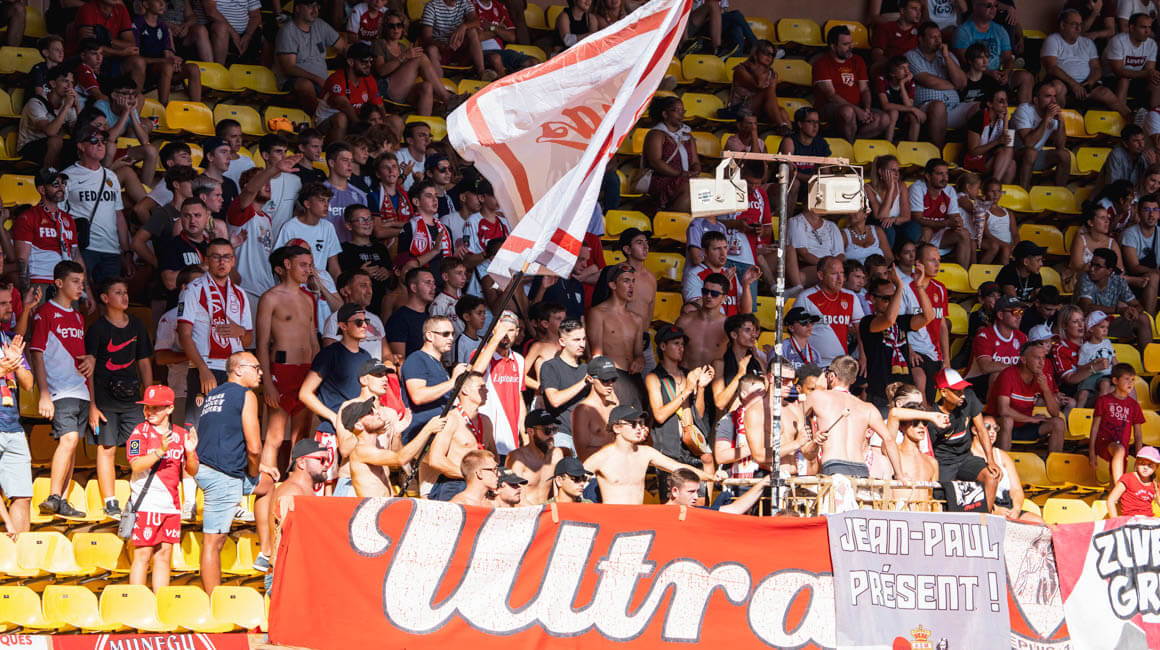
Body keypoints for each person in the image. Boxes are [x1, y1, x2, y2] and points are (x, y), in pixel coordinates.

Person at [193, 352, 274, 594]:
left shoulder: (214, 394)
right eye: (256, 368)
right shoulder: (246, 395)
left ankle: (265, 551)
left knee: (267, 484)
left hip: (205, 467)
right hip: (222, 475)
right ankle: (214, 602)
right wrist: (253, 470)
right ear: (238, 370)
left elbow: (222, 435)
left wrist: (259, 471)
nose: (261, 372)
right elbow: (254, 447)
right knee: (213, 542)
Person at [86, 277, 154, 519]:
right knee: (106, 448)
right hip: (104, 399)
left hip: (132, 399)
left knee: (139, 447)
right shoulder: (97, 329)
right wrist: (92, 405)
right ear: (105, 298)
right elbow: (88, 370)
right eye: (118, 292)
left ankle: (140, 496)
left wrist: (149, 396)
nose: (124, 296)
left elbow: (144, 362)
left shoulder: (137, 325)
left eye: (125, 292)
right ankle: (110, 501)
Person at [30, 261, 94, 519]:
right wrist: (44, 393)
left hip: (81, 390)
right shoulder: (45, 312)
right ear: (58, 283)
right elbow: (37, 353)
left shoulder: (78, 316)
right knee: (68, 440)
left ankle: (63, 499)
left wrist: (91, 361)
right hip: (60, 390)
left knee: (73, 445)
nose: (80, 287)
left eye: (82, 282)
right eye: (75, 281)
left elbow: (81, 357)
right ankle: (53, 495)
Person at [254, 245, 320, 481]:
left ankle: (297, 484)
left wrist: (318, 374)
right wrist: (268, 382)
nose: (308, 270)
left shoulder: (308, 298)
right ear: (287, 265)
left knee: (301, 436)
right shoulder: (270, 298)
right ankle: (265, 486)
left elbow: (313, 340)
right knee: (274, 434)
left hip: (306, 372)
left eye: (310, 265)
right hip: (281, 371)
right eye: (303, 265)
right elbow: (262, 344)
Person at [126, 385, 198, 592]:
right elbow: (135, 465)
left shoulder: (181, 434)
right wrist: (160, 451)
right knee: (143, 555)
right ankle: (137, 603)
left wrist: (190, 453)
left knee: (164, 556)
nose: (150, 412)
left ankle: (160, 603)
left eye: (156, 407)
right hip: (145, 504)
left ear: (170, 409)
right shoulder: (139, 432)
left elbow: (192, 470)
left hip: (171, 506)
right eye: (147, 407)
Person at [583, 404, 713, 505]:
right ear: (617, 428)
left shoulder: (646, 453)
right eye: (633, 424)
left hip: (638, 521)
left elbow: (679, 468)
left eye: (641, 423)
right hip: (612, 522)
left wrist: (711, 477)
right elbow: (574, 483)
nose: (639, 428)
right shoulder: (601, 458)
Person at [177, 239, 253, 409]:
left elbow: (248, 340)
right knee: (200, 424)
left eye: (226, 257)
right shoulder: (192, 289)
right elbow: (184, 335)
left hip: (235, 371)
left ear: (233, 261)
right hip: (205, 366)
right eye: (216, 257)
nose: (222, 262)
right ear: (206, 260)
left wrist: (240, 331)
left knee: (232, 424)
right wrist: (202, 369)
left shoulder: (240, 294)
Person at [803, 356, 902, 478]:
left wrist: (819, 388)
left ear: (831, 376)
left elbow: (796, 416)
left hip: (834, 466)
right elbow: (889, 440)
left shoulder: (817, 396)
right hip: (861, 468)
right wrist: (900, 475)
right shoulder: (867, 407)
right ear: (853, 380)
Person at [61, 124, 131, 287]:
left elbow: (119, 216)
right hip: (83, 248)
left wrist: (126, 252)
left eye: (102, 141)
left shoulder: (111, 176)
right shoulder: (67, 176)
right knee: (79, 294)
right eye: (94, 140)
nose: (100, 144)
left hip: (111, 250)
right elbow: (60, 215)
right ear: (81, 146)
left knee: (110, 297)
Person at [927, 368, 1001, 512]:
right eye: (957, 392)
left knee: (992, 476)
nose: (962, 395)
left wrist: (991, 460)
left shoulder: (969, 397)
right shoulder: (934, 417)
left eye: (962, 390)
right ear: (944, 392)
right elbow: (928, 452)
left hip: (965, 458)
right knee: (943, 498)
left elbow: (981, 429)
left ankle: (984, 519)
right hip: (944, 463)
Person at [341, 396, 443, 497]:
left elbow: (398, 460)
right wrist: (428, 429)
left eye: (374, 408)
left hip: (384, 505)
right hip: (373, 507)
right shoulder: (361, 451)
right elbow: (401, 458)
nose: (376, 412)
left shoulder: (376, 447)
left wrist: (396, 434)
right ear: (358, 425)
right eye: (370, 412)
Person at [861, 267, 935, 407]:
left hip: (905, 392)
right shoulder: (867, 322)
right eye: (886, 298)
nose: (891, 302)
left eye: (893, 297)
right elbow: (889, 320)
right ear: (872, 298)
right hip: (881, 395)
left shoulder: (900, 321)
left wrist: (919, 287)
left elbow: (928, 316)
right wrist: (900, 287)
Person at [264, 439, 330, 588]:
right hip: (286, 574)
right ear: (301, 463)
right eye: (322, 460)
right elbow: (293, 539)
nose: (327, 464)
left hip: (295, 571)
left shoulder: (304, 490)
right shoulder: (292, 492)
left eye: (328, 459)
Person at [813, 25, 891, 142]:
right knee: (848, 111)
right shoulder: (821, 63)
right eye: (845, 44)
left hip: (857, 107)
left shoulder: (857, 60)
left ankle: (852, 144)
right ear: (833, 46)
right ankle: (849, 144)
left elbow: (864, 89)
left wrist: (867, 108)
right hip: (829, 108)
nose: (850, 47)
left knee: (884, 119)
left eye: (851, 43)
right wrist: (857, 110)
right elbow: (831, 95)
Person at [986, 341, 1067, 451]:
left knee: (1058, 422)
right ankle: (1003, 460)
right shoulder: (1008, 374)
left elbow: (1055, 413)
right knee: (1007, 421)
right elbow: (1003, 410)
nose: (1042, 363)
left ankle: (1055, 461)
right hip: (999, 427)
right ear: (1023, 360)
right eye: (1037, 358)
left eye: (1043, 358)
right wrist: (1031, 419)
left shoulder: (1042, 377)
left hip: (1025, 425)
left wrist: (1046, 390)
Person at [904, 22, 974, 149]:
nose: (938, 41)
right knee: (938, 106)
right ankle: (937, 154)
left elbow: (962, 83)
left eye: (939, 37)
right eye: (933, 37)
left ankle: (971, 153)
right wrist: (954, 85)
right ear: (921, 39)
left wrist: (946, 57)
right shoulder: (911, 55)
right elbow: (928, 80)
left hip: (952, 108)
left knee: (979, 107)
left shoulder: (948, 55)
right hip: (925, 108)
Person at [424, 371, 492, 500]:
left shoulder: (486, 421)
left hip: (482, 485)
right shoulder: (451, 419)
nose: (487, 390)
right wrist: (470, 475)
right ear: (465, 390)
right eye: (481, 387)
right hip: (455, 484)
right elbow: (436, 460)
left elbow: (493, 456)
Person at [15, 169, 86, 292]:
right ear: (42, 190)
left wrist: (85, 290)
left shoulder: (68, 218)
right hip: (41, 283)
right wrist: (27, 292)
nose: (61, 187)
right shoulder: (28, 217)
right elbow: (22, 260)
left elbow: (76, 256)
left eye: (63, 183)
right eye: (55, 184)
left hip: (68, 284)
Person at [587, 264, 646, 408]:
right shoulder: (598, 313)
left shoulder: (637, 319)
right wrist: (603, 383)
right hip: (611, 377)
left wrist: (640, 360)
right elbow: (596, 355)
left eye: (633, 281)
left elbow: (639, 353)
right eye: (626, 281)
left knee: (640, 419)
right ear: (612, 285)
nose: (631, 286)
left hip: (634, 378)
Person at [1076, 248, 1155, 351]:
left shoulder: (1118, 281)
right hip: (1087, 325)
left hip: (1108, 324)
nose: (1091, 269)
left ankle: (1148, 359)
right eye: (1091, 264)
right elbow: (1086, 307)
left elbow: (1137, 305)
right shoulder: (1085, 278)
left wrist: (1134, 311)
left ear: (1109, 271)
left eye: (1097, 266)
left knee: (1143, 319)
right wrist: (1119, 310)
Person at [275, 0, 345, 114]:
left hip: (321, 82)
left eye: (317, 6)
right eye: (310, 6)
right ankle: (319, 118)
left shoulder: (320, 25)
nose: (315, 10)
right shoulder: (287, 31)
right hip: (293, 83)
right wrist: (317, 79)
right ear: (297, 8)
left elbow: (344, 47)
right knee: (305, 85)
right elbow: (289, 68)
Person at [371, 10, 446, 116]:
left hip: (404, 91)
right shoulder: (379, 44)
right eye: (391, 26)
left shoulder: (403, 47)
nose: (396, 29)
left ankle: (422, 123)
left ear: (403, 27)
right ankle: (446, 97)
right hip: (385, 90)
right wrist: (403, 57)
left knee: (427, 86)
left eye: (399, 25)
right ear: (385, 28)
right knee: (421, 57)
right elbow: (381, 71)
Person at [0, 290, 32, 533]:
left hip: (13, 427)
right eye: (2, 304)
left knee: (23, 496)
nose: (10, 308)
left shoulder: (10, 339)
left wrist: (15, 364)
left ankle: (20, 551)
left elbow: (29, 383)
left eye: (10, 302)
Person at [799, 257, 865, 366]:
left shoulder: (851, 297)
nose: (840, 278)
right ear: (821, 275)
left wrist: (863, 356)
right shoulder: (805, 297)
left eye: (842, 273)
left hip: (841, 365)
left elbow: (861, 330)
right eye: (834, 273)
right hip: (813, 364)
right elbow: (795, 332)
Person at [909, 158, 973, 267]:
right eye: (940, 174)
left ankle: (963, 273)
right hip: (920, 232)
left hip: (940, 233)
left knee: (964, 233)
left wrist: (958, 223)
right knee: (927, 231)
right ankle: (919, 269)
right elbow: (917, 218)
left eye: (946, 174)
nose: (945, 178)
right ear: (928, 176)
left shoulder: (949, 190)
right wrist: (945, 223)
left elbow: (955, 216)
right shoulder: (917, 188)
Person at [1090, 362, 1146, 485]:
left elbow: (1138, 435)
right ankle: (1119, 489)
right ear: (1115, 380)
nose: (1130, 383)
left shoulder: (1134, 405)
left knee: (1114, 481)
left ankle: (1115, 493)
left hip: (1122, 448)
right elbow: (1094, 428)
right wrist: (1091, 453)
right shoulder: (1103, 400)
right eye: (1126, 379)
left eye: (1132, 379)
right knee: (1120, 450)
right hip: (1104, 443)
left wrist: (1139, 459)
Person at [641, 96, 700, 212]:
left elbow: (695, 162)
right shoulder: (656, 134)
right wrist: (679, 174)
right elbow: (655, 162)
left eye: (682, 111)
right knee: (688, 188)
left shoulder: (688, 136)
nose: (681, 114)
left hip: (684, 178)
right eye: (677, 110)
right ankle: (670, 218)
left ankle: (672, 218)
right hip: (661, 179)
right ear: (665, 114)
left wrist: (695, 171)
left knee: (704, 187)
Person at [316, 43, 382, 143]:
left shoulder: (369, 78)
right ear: (350, 62)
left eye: (370, 61)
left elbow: (379, 105)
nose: (369, 65)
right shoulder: (336, 79)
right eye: (364, 61)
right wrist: (360, 127)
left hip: (355, 121)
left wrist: (384, 126)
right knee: (342, 118)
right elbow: (343, 104)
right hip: (327, 122)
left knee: (394, 120)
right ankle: (337, 151)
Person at [1013, 81, 1072, 188]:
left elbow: (1060, 146)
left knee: (1064, 155)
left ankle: (1060, 194)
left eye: (1055, 96)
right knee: (1031, 152)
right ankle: (1024, 192)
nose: (1053, 101)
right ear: (1036, 100)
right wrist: (1046, 119)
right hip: (1014, 157)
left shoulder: (1051, 114)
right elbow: (1028, 143)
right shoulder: (1024, 110)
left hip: (1036, 155)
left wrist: (1061, 122)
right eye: (1048, 96)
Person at [17, 67, 78, 170]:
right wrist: (67, 106)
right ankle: (47, 175)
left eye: (72, 82)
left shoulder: (67, 104)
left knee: (82, 144)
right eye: (65, 81)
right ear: (53, 84)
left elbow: (79, 133)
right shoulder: (36, 102)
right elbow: (50, 132)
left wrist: (77, 104)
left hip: (54, 147)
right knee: (55, 141)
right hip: (28, 149)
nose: (70, 86)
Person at [1102, 13, 1160, 114]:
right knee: (1124, 80)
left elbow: (1149, 70)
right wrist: (1147, 73)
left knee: (1156, 83)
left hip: (1136, 79)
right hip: (1111, 80)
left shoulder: (1151, 44)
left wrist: (1153, 75)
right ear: (1132, 28)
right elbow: (1118, 71)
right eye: (1143, 27)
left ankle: (1153, 117)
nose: (1147, 31)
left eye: (1149, 27)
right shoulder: (1118, 41)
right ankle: (1123, 116)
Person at [505, 409, 565, 504]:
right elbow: (515, 500)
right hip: (525, 511)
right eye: (547, 430)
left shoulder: (556, 454)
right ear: (530, 431)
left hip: (549, 510)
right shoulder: (518, 458)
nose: (552, 435)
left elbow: (560, 493)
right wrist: (540, 511)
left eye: (554, 430)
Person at [728, 42, 790, 130]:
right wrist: (757, 70)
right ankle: (782, 126)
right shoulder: (741, 70)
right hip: (740, 109)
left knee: (782, 111)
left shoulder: (772, 73)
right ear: (756, 53)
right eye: (766, 53)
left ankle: (789, 135)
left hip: (760, 109)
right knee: (767, 91)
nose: (770, 57)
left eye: (772, 55)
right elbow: (759, 86)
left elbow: (771, 97)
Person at [675, 273, 730, 370]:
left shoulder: (728, 326)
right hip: (685, 375)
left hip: (713, 377)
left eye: (714, 294)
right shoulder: (685, 321)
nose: (708, 296)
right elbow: (669, 352)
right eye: (705, 291)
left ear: (724, 298)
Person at [778, 107, 832, 202]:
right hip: (787, 186)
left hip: (810, 186)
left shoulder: (821, 143)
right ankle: (786, 213)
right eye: (810, 122)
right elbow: (788, 172)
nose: (815, 126)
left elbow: (825, 172)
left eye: (817, 122)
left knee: (826, 185)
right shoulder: (789, 141)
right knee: (795, 183)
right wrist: (812, 178)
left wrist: (817, 180)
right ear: (800, 124)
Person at [665, 467, 771, 514]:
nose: (696, 497)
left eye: (697, 492)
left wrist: (763, 483)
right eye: (691, 492)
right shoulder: (657, 515)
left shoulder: (697, 511)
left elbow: (735, 509)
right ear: (675, 491)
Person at [1121, 192, 1160, 315]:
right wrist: (1155, 271)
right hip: (1136, 280)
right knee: (1153, 277)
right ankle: (1150, 320)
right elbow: (1134, 266)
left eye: (1155, 210)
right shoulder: (1130, 233)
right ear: (1138, 213)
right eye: (1147, 210)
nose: (1151, 214)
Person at [1107, 446, 1160, 517]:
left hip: (1149, 520)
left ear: (1156, 467)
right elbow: (1111, 501)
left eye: (1150, 465)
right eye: (1142, 463)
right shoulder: (1127, 478)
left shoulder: (1155, 484)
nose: (1145, 467)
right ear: (1137, 463)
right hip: (1131, 519)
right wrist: (1115, 520)